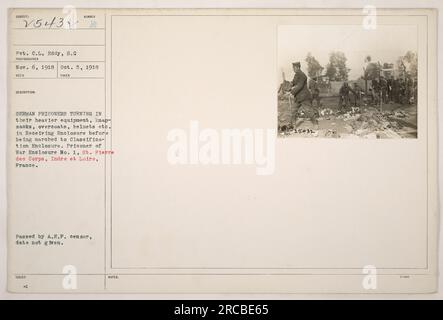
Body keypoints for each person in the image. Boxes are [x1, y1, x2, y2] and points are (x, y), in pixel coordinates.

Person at [290, 62, 315, 126]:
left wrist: (292, 92)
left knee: (308, 111)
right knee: (293, 111)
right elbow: (294, 82)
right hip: (297, 97)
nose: (293, 69)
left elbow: (299, 85)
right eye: (293, 68)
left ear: (298, 67)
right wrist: (290, 84)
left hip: (304, 97)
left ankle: (315, 123)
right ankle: (293, 125)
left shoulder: (302, 75)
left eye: (294, 68)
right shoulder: (296, 74)